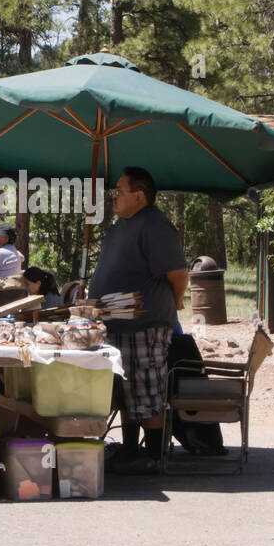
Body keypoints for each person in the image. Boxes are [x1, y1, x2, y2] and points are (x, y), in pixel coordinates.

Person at [88, 166, 188, 475]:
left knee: (147, 388)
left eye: (120, 190)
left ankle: (155, 454)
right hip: (114, 324)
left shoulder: (155, 226)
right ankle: (131, 449)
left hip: (144, 324)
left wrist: (174, 301)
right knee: (124, 388)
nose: (114, 196)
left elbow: (178, 274)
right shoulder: (122, 226)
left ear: (139, 195)